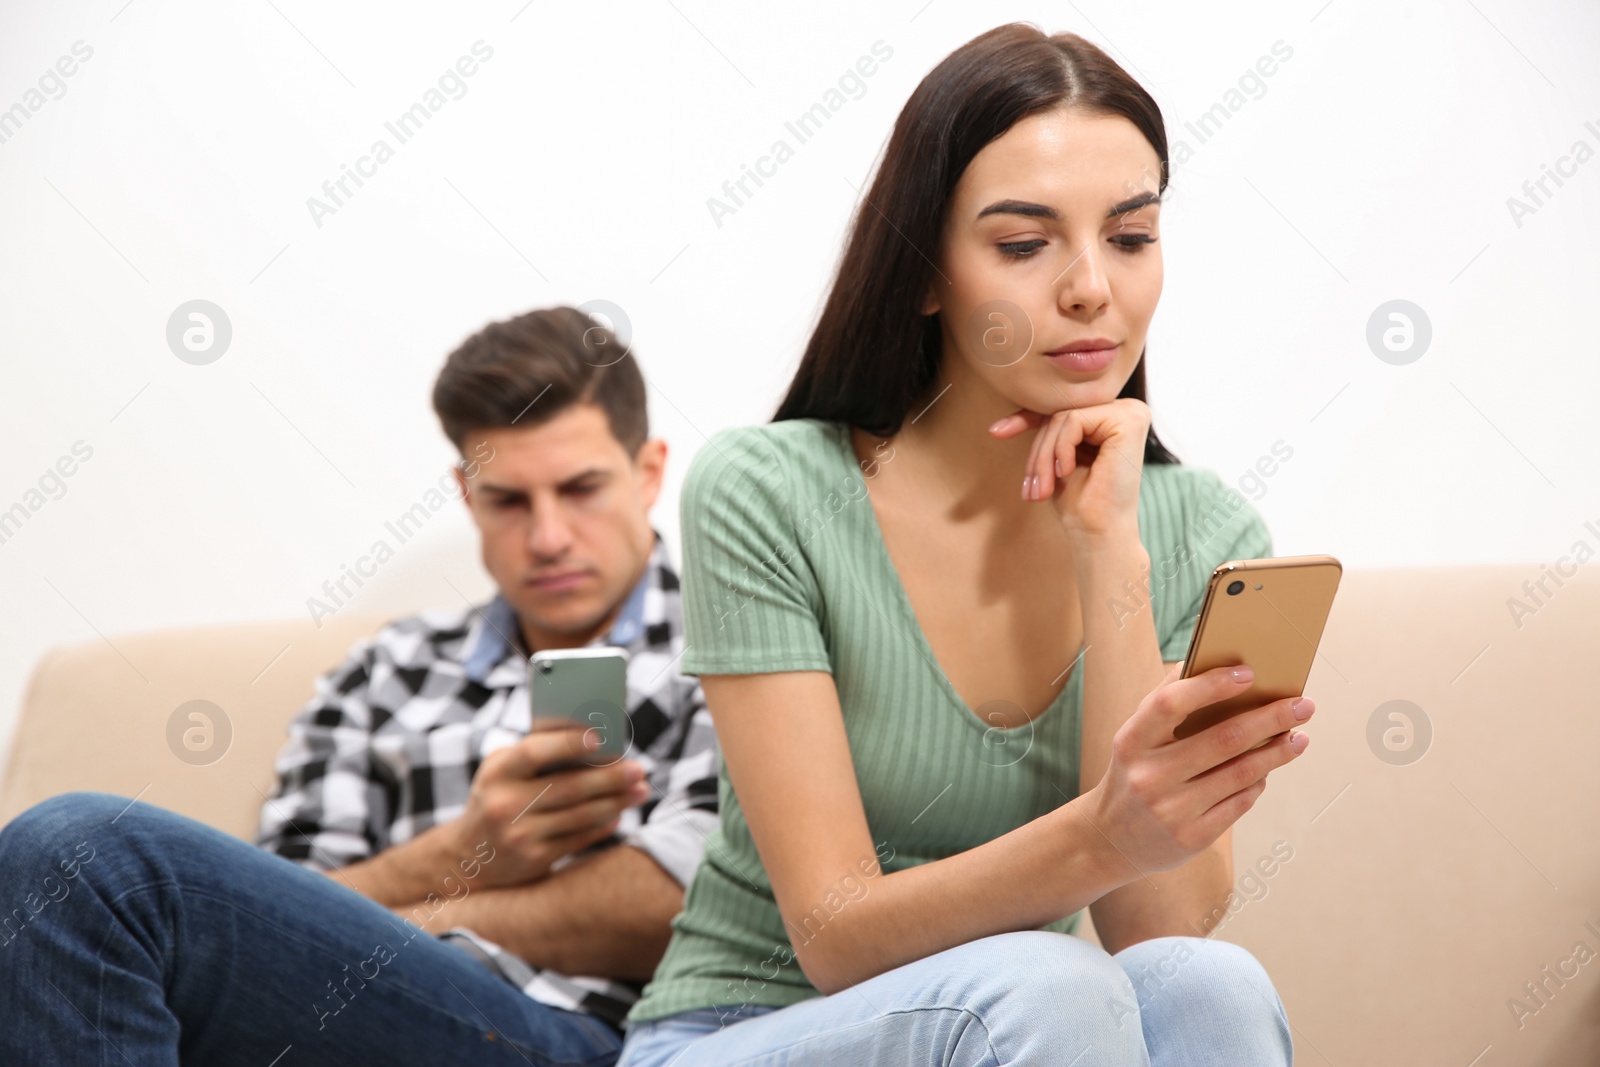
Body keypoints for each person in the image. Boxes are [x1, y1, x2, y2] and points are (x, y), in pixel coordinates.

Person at [617, 25, 1304, 1067]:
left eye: (1129, 236)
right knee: (1046, 976)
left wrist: (1109, 546)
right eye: (1023, 245)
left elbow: (1157, 927)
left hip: (1030, 1028)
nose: (1090, 289)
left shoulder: (1200, 528)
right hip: (739, 1031)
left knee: (1213, 984)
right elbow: (835, 934)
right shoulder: (767, 491)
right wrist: (1102, 831)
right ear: (925, 273)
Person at [0, 307, 718, 1066]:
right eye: (508, 499)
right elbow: (275, 915)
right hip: (358, 1018)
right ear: (468, 495)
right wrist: (463, 850)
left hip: (585, 1033)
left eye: (580, 489)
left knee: (80, 853)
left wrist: (420, 911)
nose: (547, 537)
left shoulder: (732, 637)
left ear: (647, 473)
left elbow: (692, 908)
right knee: (64, 871)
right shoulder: (384, 668)